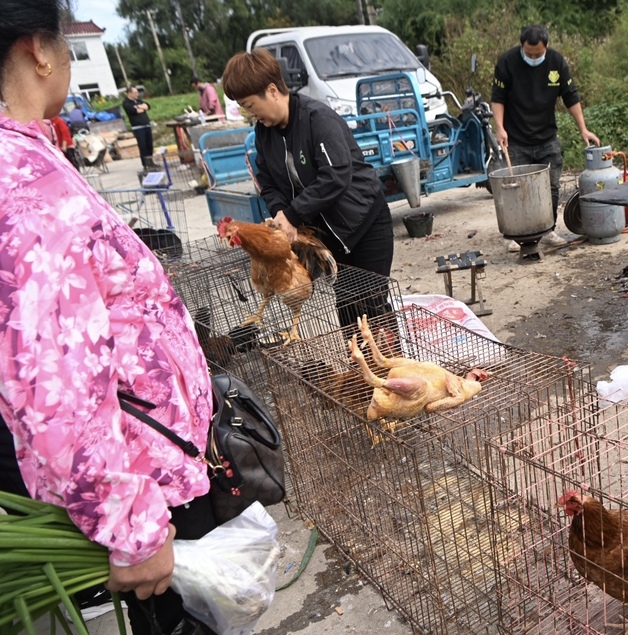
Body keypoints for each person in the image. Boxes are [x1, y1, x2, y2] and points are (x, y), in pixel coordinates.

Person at [0, 3, 220, 633]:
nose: (67, 58)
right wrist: (131, 526)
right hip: (128, 490)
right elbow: (53, 379)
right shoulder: (23, 190)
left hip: (125, 470)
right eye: (65, 44)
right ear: (37, 52)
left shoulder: (26, 158)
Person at [221, 48, 395, 326]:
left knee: (371, 302)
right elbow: (266, 180)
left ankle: (391, 366)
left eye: (250, 105)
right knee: (347, 306)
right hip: (328, 236)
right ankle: (360, 366)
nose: (250, 113)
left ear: (273, 90)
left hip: (364, 225)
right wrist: (280, 215)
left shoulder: (317, 120)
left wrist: (293, 214)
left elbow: (336, 175)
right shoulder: (263, 133)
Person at [492, 24, 601, 252]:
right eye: (529, 54)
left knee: (550, 187)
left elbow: (570, 96)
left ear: (547, 46)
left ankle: (548, 230)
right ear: (522, 46)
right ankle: (519, 234)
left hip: (547, 137)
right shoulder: (507, 62)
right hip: (517, 139)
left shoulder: (556, 62)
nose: (533, 58)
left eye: (538, 54)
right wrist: (500, 127)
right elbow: (498, 98)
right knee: (518, 188)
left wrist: (583, 128)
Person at [122, 85, 155, 169]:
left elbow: (147, 106)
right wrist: (140, 107)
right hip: (138, 127)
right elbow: (134, 111)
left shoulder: (138, 100)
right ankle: (145, 164)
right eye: (135, 93)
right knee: (143, 145)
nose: (137, 94)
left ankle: (151, 162)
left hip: (146, 124)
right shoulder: (126, 103)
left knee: (149, 145)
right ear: (129, 93)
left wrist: (139, 106)